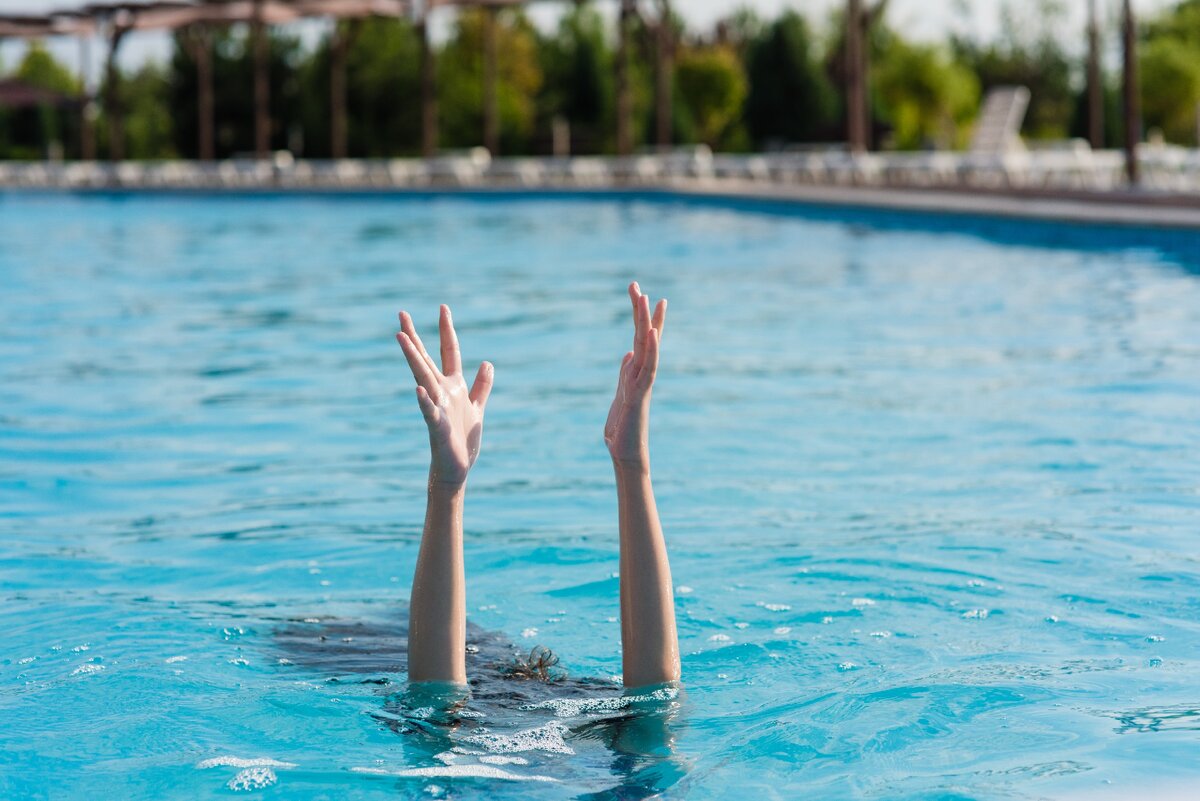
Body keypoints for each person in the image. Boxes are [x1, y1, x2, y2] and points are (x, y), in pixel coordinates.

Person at [394, 282, 680, 693]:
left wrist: (633, 464)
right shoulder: (605, 736)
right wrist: (632, 469)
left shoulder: (473, 737)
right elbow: (656, 691)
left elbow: (437, 695)